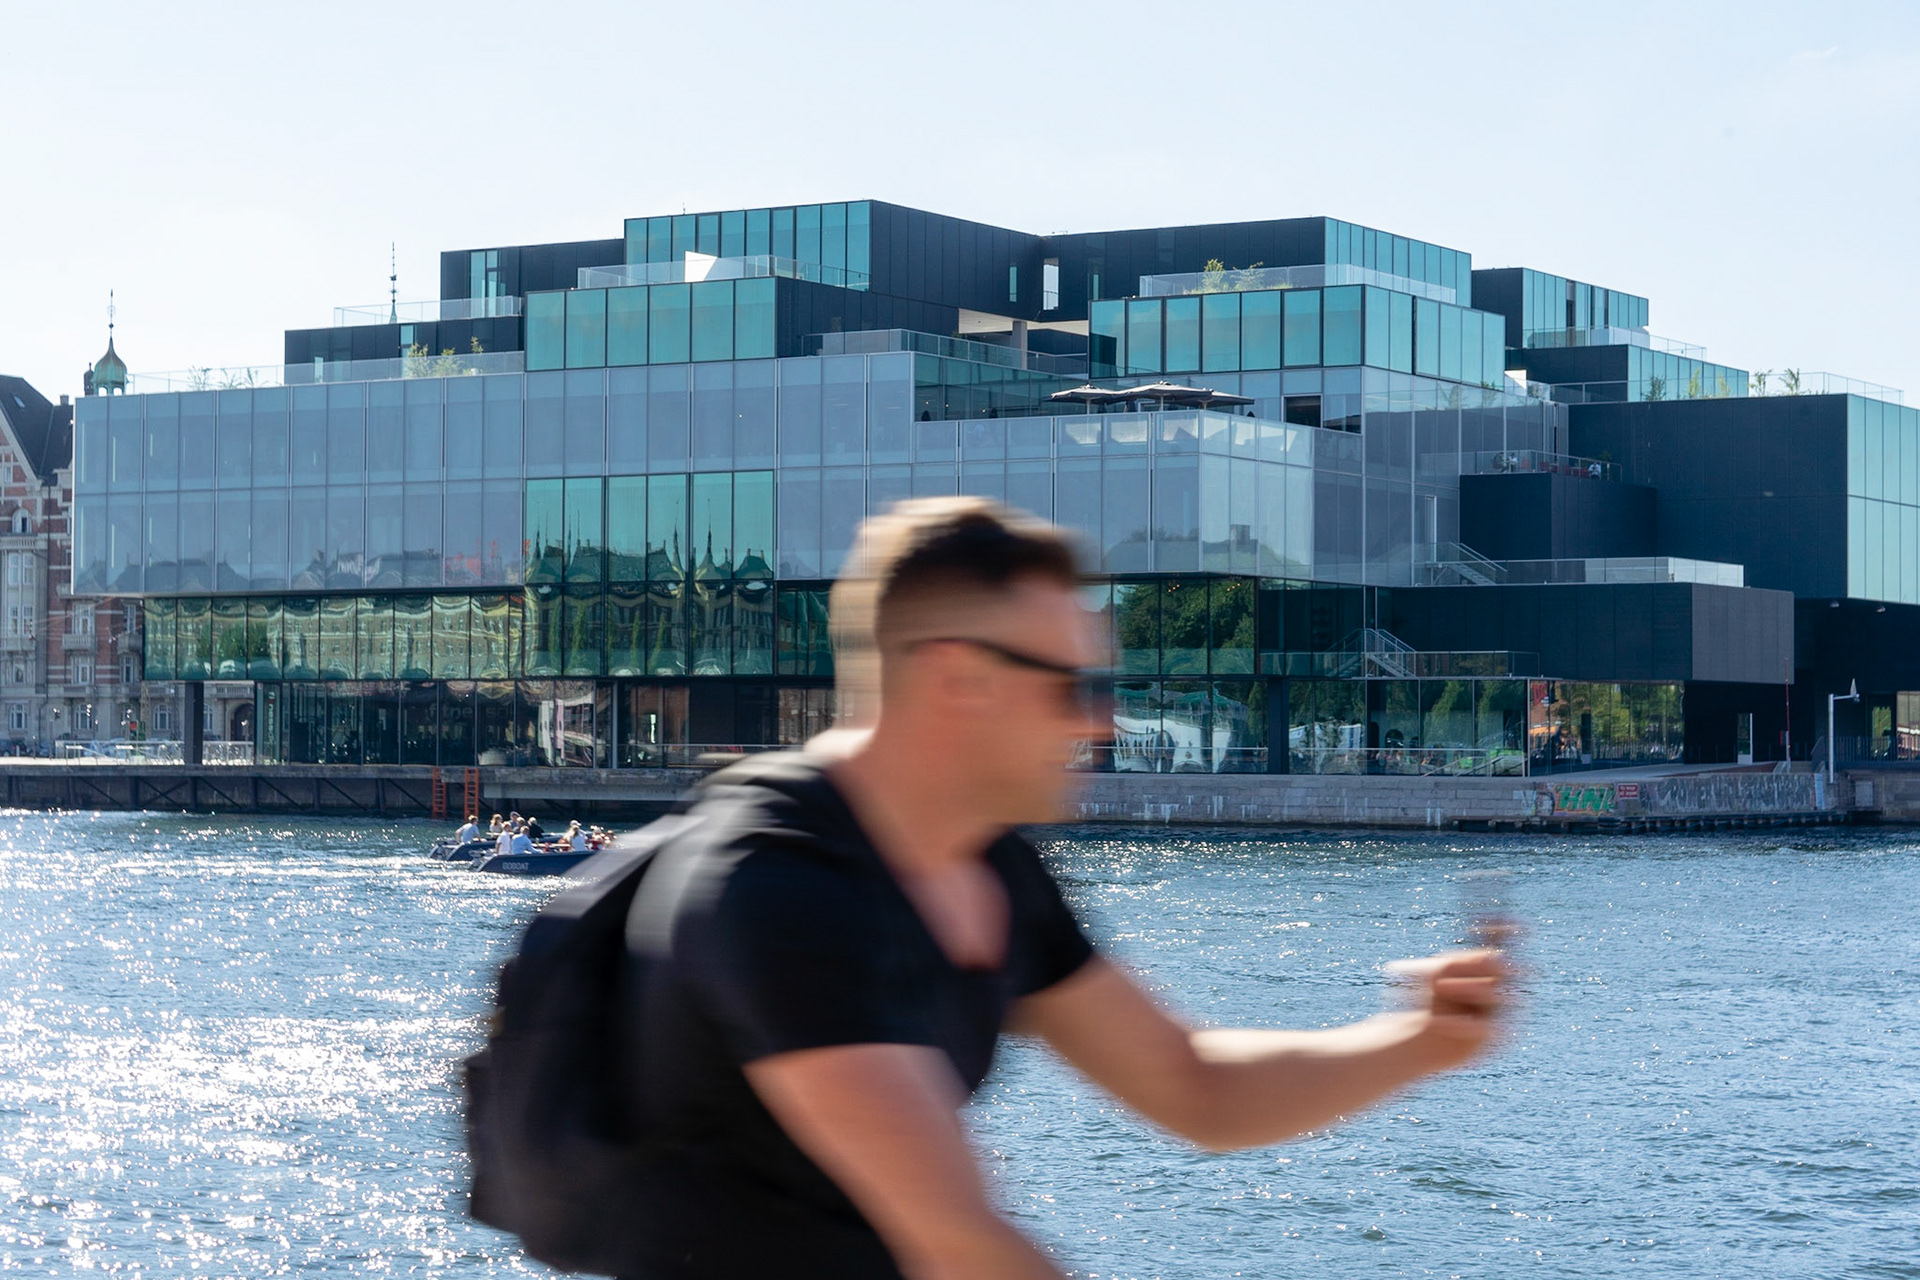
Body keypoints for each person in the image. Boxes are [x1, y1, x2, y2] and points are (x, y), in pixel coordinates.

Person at [615, 497, 1510, 1279]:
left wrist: (1415, 1040)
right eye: (1070, 685)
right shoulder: (775, 888)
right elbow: (958, 1244)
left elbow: (1194, 1087)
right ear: (957, 678)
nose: (1100, 717)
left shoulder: (989, 866)